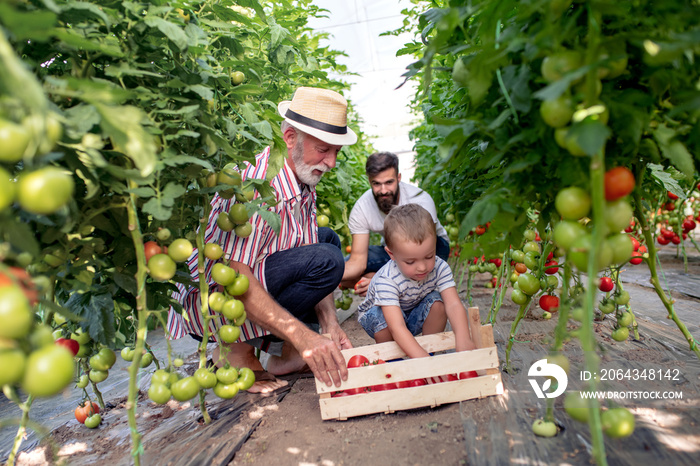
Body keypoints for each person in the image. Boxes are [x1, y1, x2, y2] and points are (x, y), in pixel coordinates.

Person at [166, 87, 357, 393]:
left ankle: (285, 354)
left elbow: (304, 247)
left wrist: (329, 324)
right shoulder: (255, 187)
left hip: (253, 276)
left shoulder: (303, 177)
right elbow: (233, 276)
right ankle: (235, 353)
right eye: (324, 150)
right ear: (291, 138)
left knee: (328, 242)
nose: (331, 162)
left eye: (336, 152)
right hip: (214, 306)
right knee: (327, 260)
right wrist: (303, 335)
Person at [356, 204, 475, 359]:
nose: (422, 267)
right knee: (382, 319)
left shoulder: (439, 267)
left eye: (429, 256)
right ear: (391, 254)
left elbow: (453, 304)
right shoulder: (387, 280)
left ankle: (431, 350)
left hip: (412, 311)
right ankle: (393, 359)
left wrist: (463, 337)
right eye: (410, 262)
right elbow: (397, 327)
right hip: (382, 320)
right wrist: (421, 360)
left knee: (438, 303)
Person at [341, 152, 449, 295]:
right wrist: (324, 277)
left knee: (422, 274)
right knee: (342, 272)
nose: (383, 190)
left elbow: (422, 250)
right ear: (369, 181)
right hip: (391, 251)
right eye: (377, 184)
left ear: (398, 178)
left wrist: (378, 281)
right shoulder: (362, 207)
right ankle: (385, 283)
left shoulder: (420, 199)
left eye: (389, 182)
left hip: (430, 249)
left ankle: (383, 284)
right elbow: (357, 261)